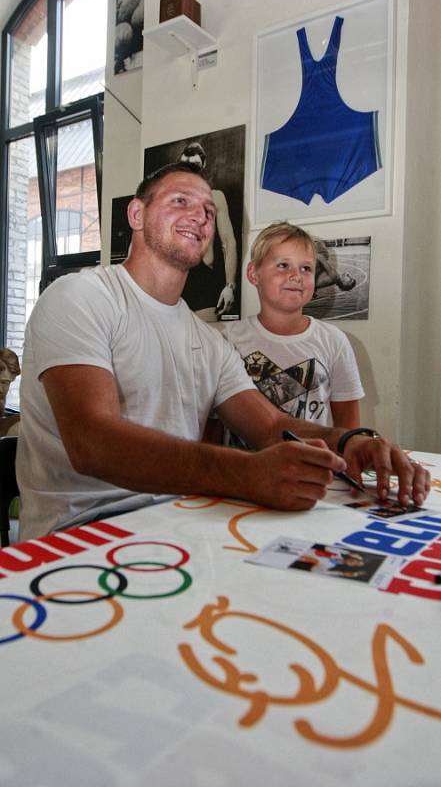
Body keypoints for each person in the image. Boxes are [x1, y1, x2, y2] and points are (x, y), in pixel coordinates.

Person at [16, 162, 430, 541]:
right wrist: (247, 473)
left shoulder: (209, 339)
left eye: (209, 212)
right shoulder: (80, 296)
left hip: (178, 516)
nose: (199, 216)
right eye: (180, 201)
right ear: (137, 215)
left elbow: (269, 426)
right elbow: (93, 443)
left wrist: (350, 441)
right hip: (80, 532)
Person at [222, 222, 363, 430]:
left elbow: (349, 430)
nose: (296, 276)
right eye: (283, 265)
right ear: (253, 274)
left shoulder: (334, 340)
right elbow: (213, 424)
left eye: (306, 268)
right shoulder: (229, 338)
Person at [178, 142, 237, 321]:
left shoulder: (215, 197)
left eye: (194, 166)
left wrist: (230, 286)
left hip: (205, 277)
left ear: (203, 166)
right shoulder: (173, 201)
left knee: (206, 342)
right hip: (179, 276)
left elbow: (229, 242)